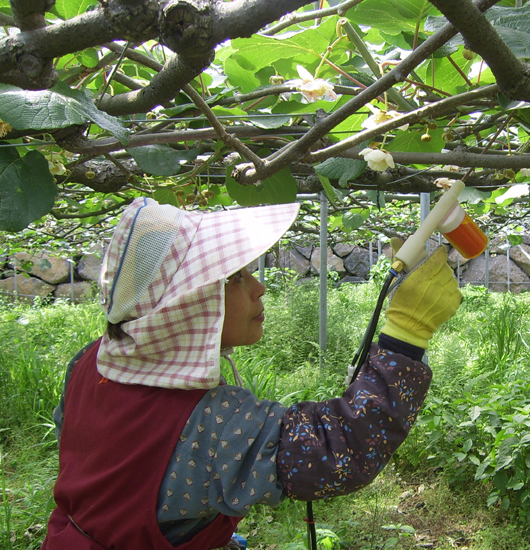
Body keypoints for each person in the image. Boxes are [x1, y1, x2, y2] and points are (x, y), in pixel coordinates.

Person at [41, 197, 462, 550]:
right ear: (189, 304)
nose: (258, 287)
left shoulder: (93, 359)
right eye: (235, 277)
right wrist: (407, 333)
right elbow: (338, 452)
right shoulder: (211, 422)